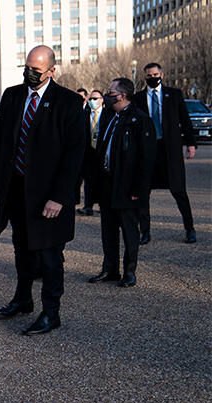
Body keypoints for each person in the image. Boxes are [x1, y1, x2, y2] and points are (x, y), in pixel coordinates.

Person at [0, 45, 85, 336]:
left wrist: (59, 197)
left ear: (51, 71)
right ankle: (22, 299)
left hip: (48, 195)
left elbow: (74, 155)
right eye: (26, 68)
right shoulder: (12, 96)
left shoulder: (68, 102)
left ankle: (51, 313)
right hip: (16, 189)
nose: (29, 73)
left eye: (36, 70)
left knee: (50, 256)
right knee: (22, 248)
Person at [88, 78, 156, 288]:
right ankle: (110, 269)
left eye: (111, 92)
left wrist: (139, 188)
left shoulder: (140, 120)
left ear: (123, 95)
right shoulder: (110, 117)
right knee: (108, 230)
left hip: (127, 186)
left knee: (129, 231)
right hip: (108, 182)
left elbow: (147, 159)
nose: (107, 95)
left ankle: (129, 271)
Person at [132, 62, 198, 244]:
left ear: (161, 75)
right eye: (149, 75)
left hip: (170, 150)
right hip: (148, 151)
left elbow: (185, 120)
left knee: (179, 191)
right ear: (145, 77)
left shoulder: (174, 95)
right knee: (144, 193)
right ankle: (145, 232)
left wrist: (191, 144)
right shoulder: (138, 98)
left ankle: (190, 229)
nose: (152, 78)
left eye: (155, 75)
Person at [77, 89, 104, 216]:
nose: (93, 101)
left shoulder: (107, 114)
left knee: (103, 180)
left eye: (95, 99)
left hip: (102, 151)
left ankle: (103, 205)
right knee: (88, 180)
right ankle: (88, 206)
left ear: (102, 100)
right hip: (88, 152)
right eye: (91, 99)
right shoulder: (84, 114)